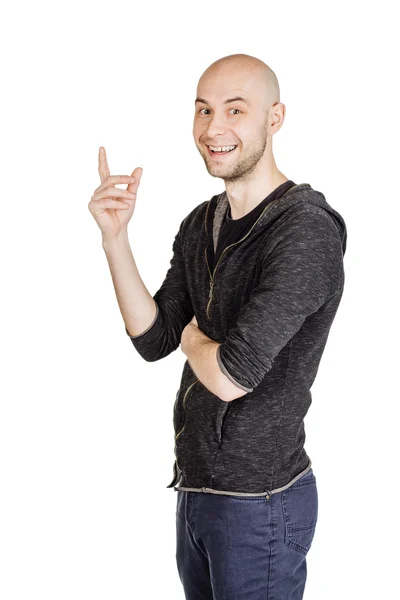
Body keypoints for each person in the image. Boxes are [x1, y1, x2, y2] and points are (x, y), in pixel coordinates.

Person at [88, 53, 347, 600]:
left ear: (274, 118)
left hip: (261, 505)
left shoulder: (305, 231)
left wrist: (190, 333)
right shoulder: (201, 222)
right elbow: (154, 339)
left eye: (235, 110)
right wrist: (115, 238)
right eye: (203, 110)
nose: (214, 128)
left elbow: (232, 375)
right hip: (197, 491)